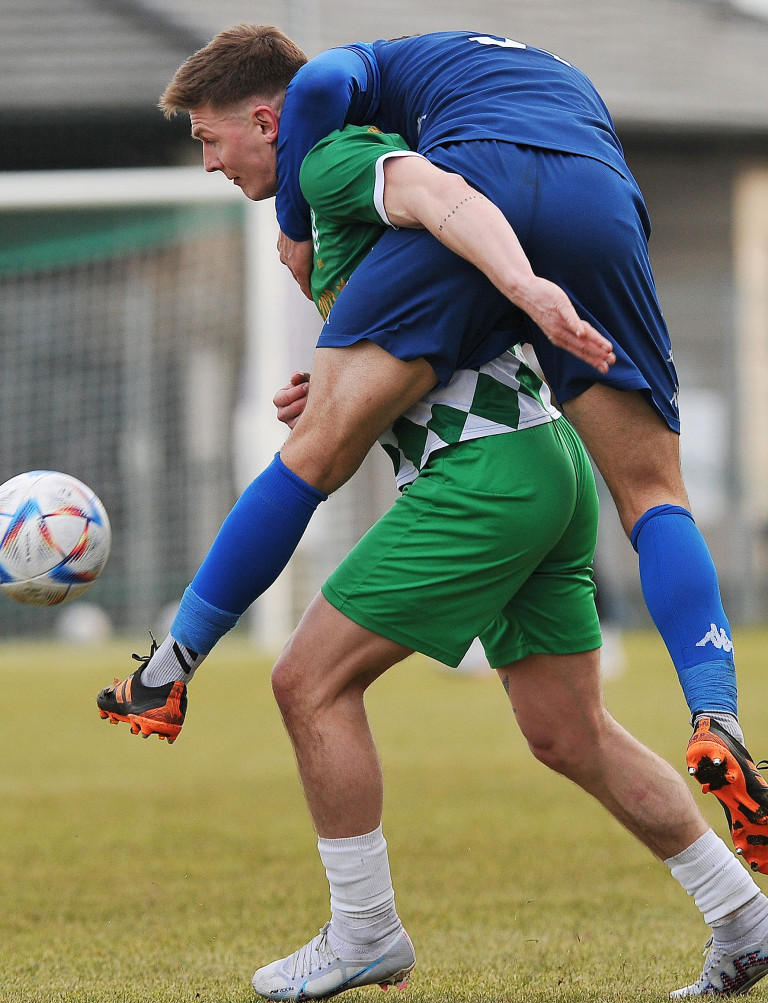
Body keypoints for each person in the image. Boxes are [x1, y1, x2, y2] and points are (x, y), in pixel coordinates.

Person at [98, 25, 768, 874]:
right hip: (600, 196)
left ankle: (171, 666)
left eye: (207, 139)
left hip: (485, 427)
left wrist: (306, 230)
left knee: (310, 543)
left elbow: (367, 134)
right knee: (650, 508)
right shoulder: (491, 79)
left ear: (269, 122)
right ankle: (721, 726)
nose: (207, 164)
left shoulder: (338, 140)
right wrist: (353, 378)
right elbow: (454, 316)